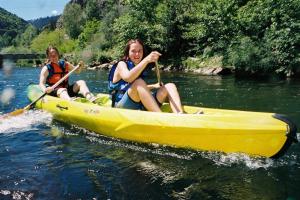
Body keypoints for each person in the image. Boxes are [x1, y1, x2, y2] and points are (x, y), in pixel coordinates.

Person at [108, 39, 184, 113]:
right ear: (128, 53)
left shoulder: (139, 66)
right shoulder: (121, 64)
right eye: (133, 51)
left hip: (139, 103)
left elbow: (137, 89)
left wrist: (154, 86)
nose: (137, 54)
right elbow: (129, 78)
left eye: (139, 51)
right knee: (139, 82)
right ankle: (161, 117)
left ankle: (179, 115)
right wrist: (146, 60)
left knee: (170, 86)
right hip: (121, 106)